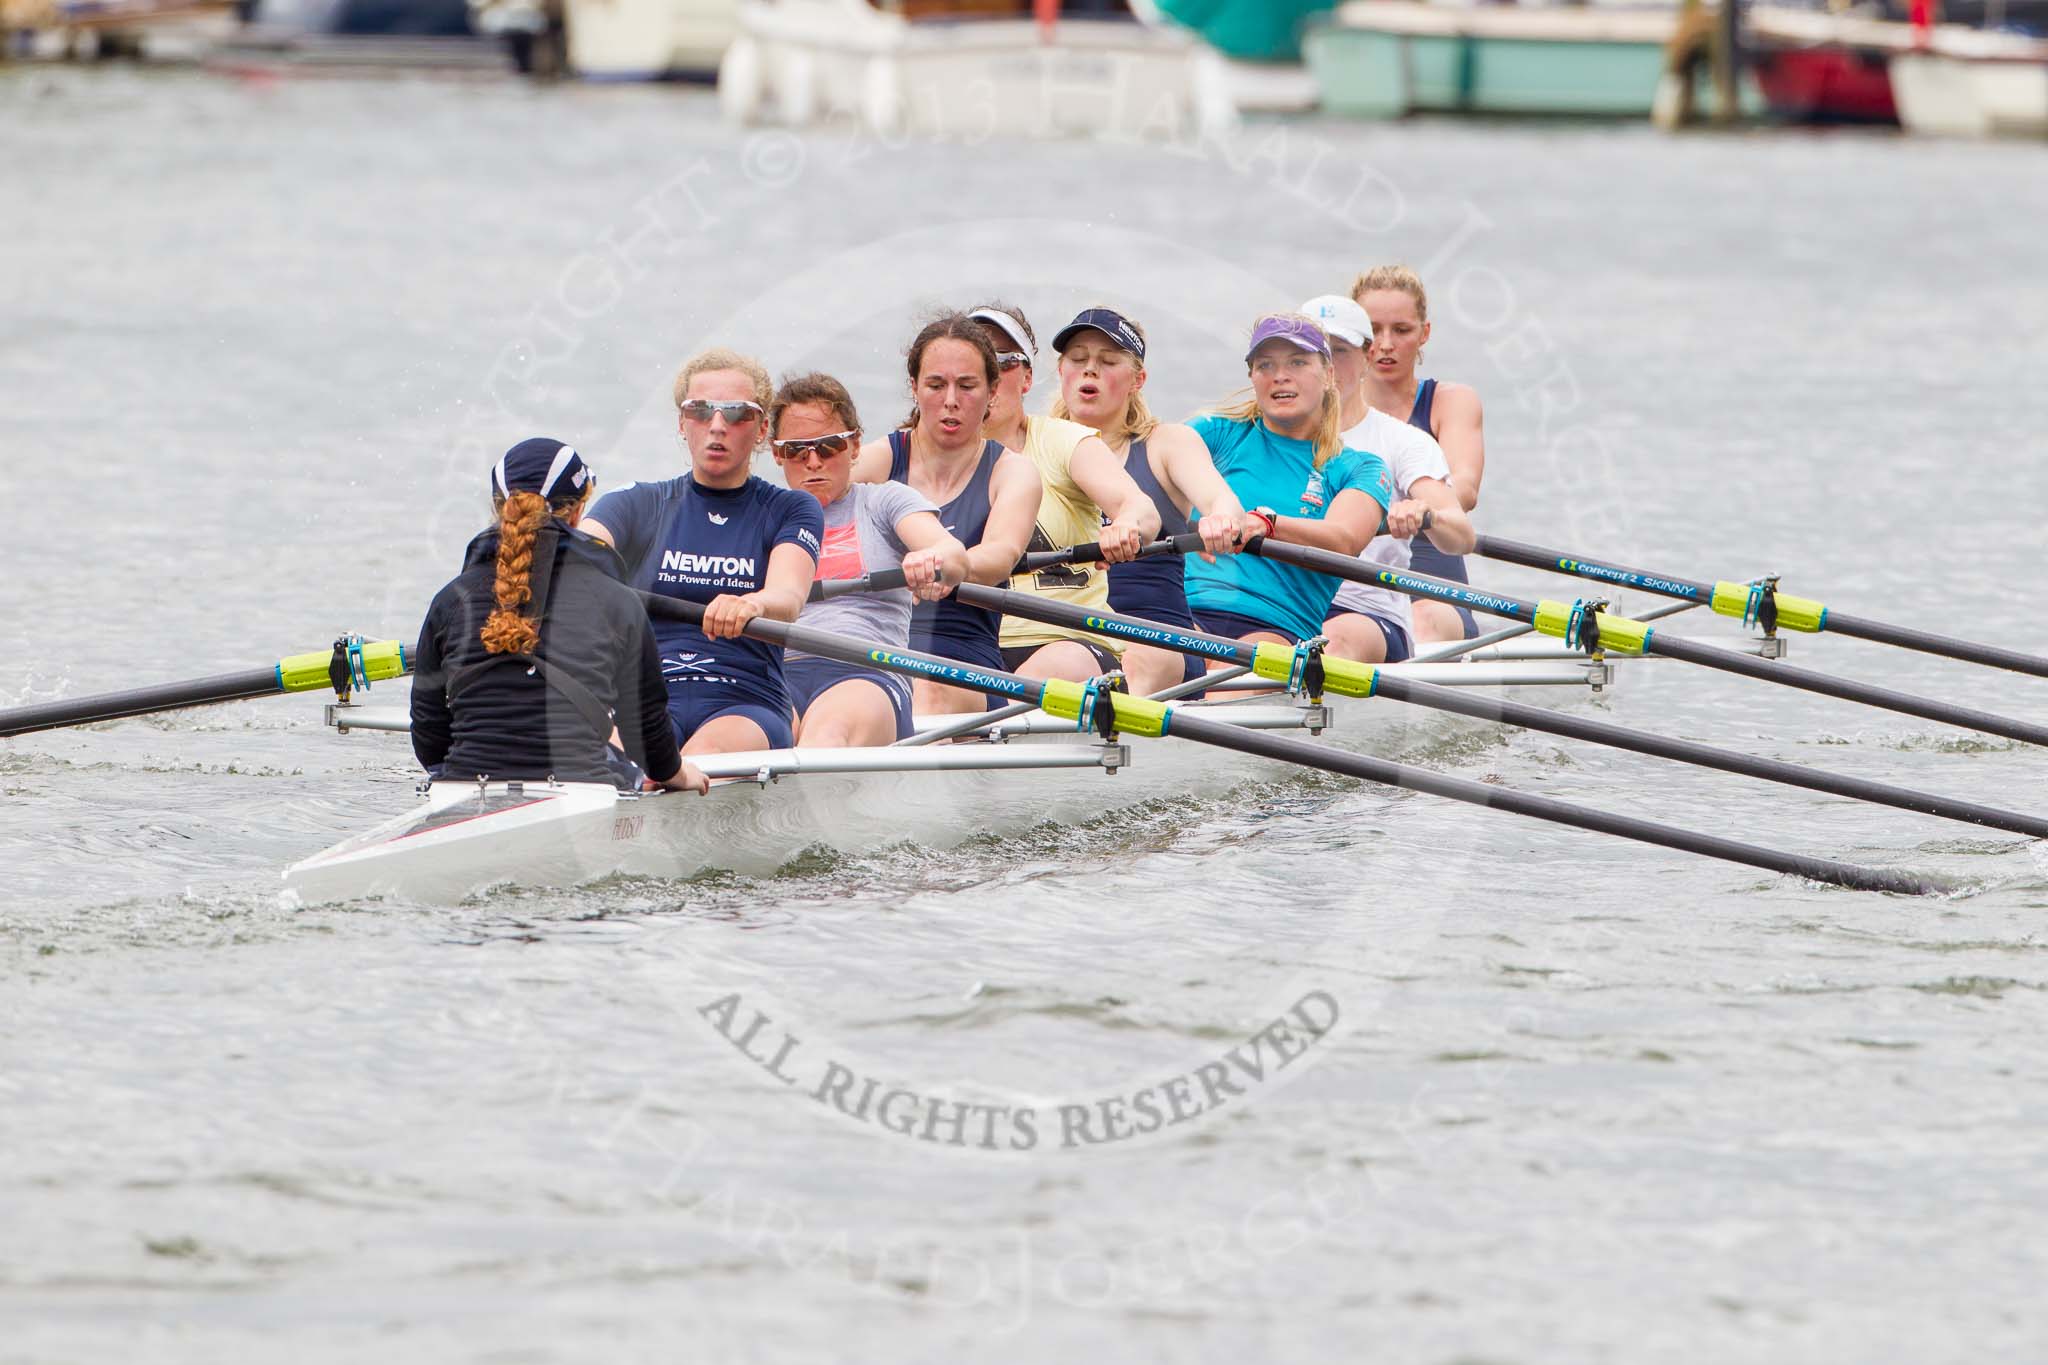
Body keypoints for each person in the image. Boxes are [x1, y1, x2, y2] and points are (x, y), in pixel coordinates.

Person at [409, 438, 707, 795]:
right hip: (583, 789)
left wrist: (470, 767)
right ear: (578, 512)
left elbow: (428, 729)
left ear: (498, 508)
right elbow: (645, 728)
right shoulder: (618, 602)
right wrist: (677, 774)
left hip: (462, 786)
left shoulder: (450, 600)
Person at [582, 348, 823, 757]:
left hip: (746, 700)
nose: (716, 426)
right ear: (682, 423)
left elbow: (788, 596)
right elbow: (580, 552)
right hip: (645, 695)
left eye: (736, 413)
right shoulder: (638, 504)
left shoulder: (791, 509)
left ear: (762, 428)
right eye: (700, 411)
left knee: (694, 763)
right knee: (611, 765)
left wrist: (750, 604)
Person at [1045, 305, 1257, 694]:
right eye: (1078, 359)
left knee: (1129, 662)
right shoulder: (1035, 449)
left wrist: (1221, 520)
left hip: (1156, 638)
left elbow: (1223, 502)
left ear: (1137, 379)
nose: (1089, 370)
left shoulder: (1166, 445)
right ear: (1062, 372)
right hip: (1061, 636)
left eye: (1108, 361)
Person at [851, 314, 1042, 716]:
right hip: (873, 645)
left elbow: (999, 556)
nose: (950, 400)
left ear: (992, 391)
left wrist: (947, 564)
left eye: (967, 386)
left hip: (963, 654)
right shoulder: (876, 461)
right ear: (915, 388)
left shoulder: (1012, 472)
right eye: (936, 385)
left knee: (925, 691)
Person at [770, 372, 969, 745]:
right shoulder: (762, 516)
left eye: (828, 446)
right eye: (797, 450)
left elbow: (952, 555)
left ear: (855, 446)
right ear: (777, 453)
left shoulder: (883, 501)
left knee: (827, 736)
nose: (813, 461)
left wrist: (930, 559)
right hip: (780, 673)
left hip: (867, 671)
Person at [967, 302, 1160, 686]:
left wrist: (1127, 526)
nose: (988, 377)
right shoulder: (915, 455)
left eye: (1002, 362)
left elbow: (1139, 508)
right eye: (974, 365)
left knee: (1050, 671)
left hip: (1063, 640)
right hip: (965, 642)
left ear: (1026, 378)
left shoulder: (1063, 440)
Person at [1181, 313, 1394, 650]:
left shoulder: (1359, 468)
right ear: (1252, 376)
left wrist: (1268, 524)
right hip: (1185, 613)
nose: (1280, 376)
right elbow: (1147, 467)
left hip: (1276, 626)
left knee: (1228, 683)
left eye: (1297, 362)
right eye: (1265, 365)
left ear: (1328, 376)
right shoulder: (1215, 435)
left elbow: (1345, 539)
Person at [1301, 294, 1476, 664]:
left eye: (1339, 352)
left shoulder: (1402, 441)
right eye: (1313, 355)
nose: (1326, 367)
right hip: (1278, 603)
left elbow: (1461, 534)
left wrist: (1426, 513)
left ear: (1366, 357)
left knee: (1330, 640)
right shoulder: (1249, 434)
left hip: (1363, 613)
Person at [1352, 264, 1488, 644]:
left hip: (1431, 588)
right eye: (1373, 330)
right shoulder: (1324, 409)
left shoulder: (1451, 401)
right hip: (1352, 585)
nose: (1385, 343)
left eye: (1401, 330)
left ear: (1424, 333)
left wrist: (1423, 506)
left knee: (1421, 619)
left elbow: (1465, 486)